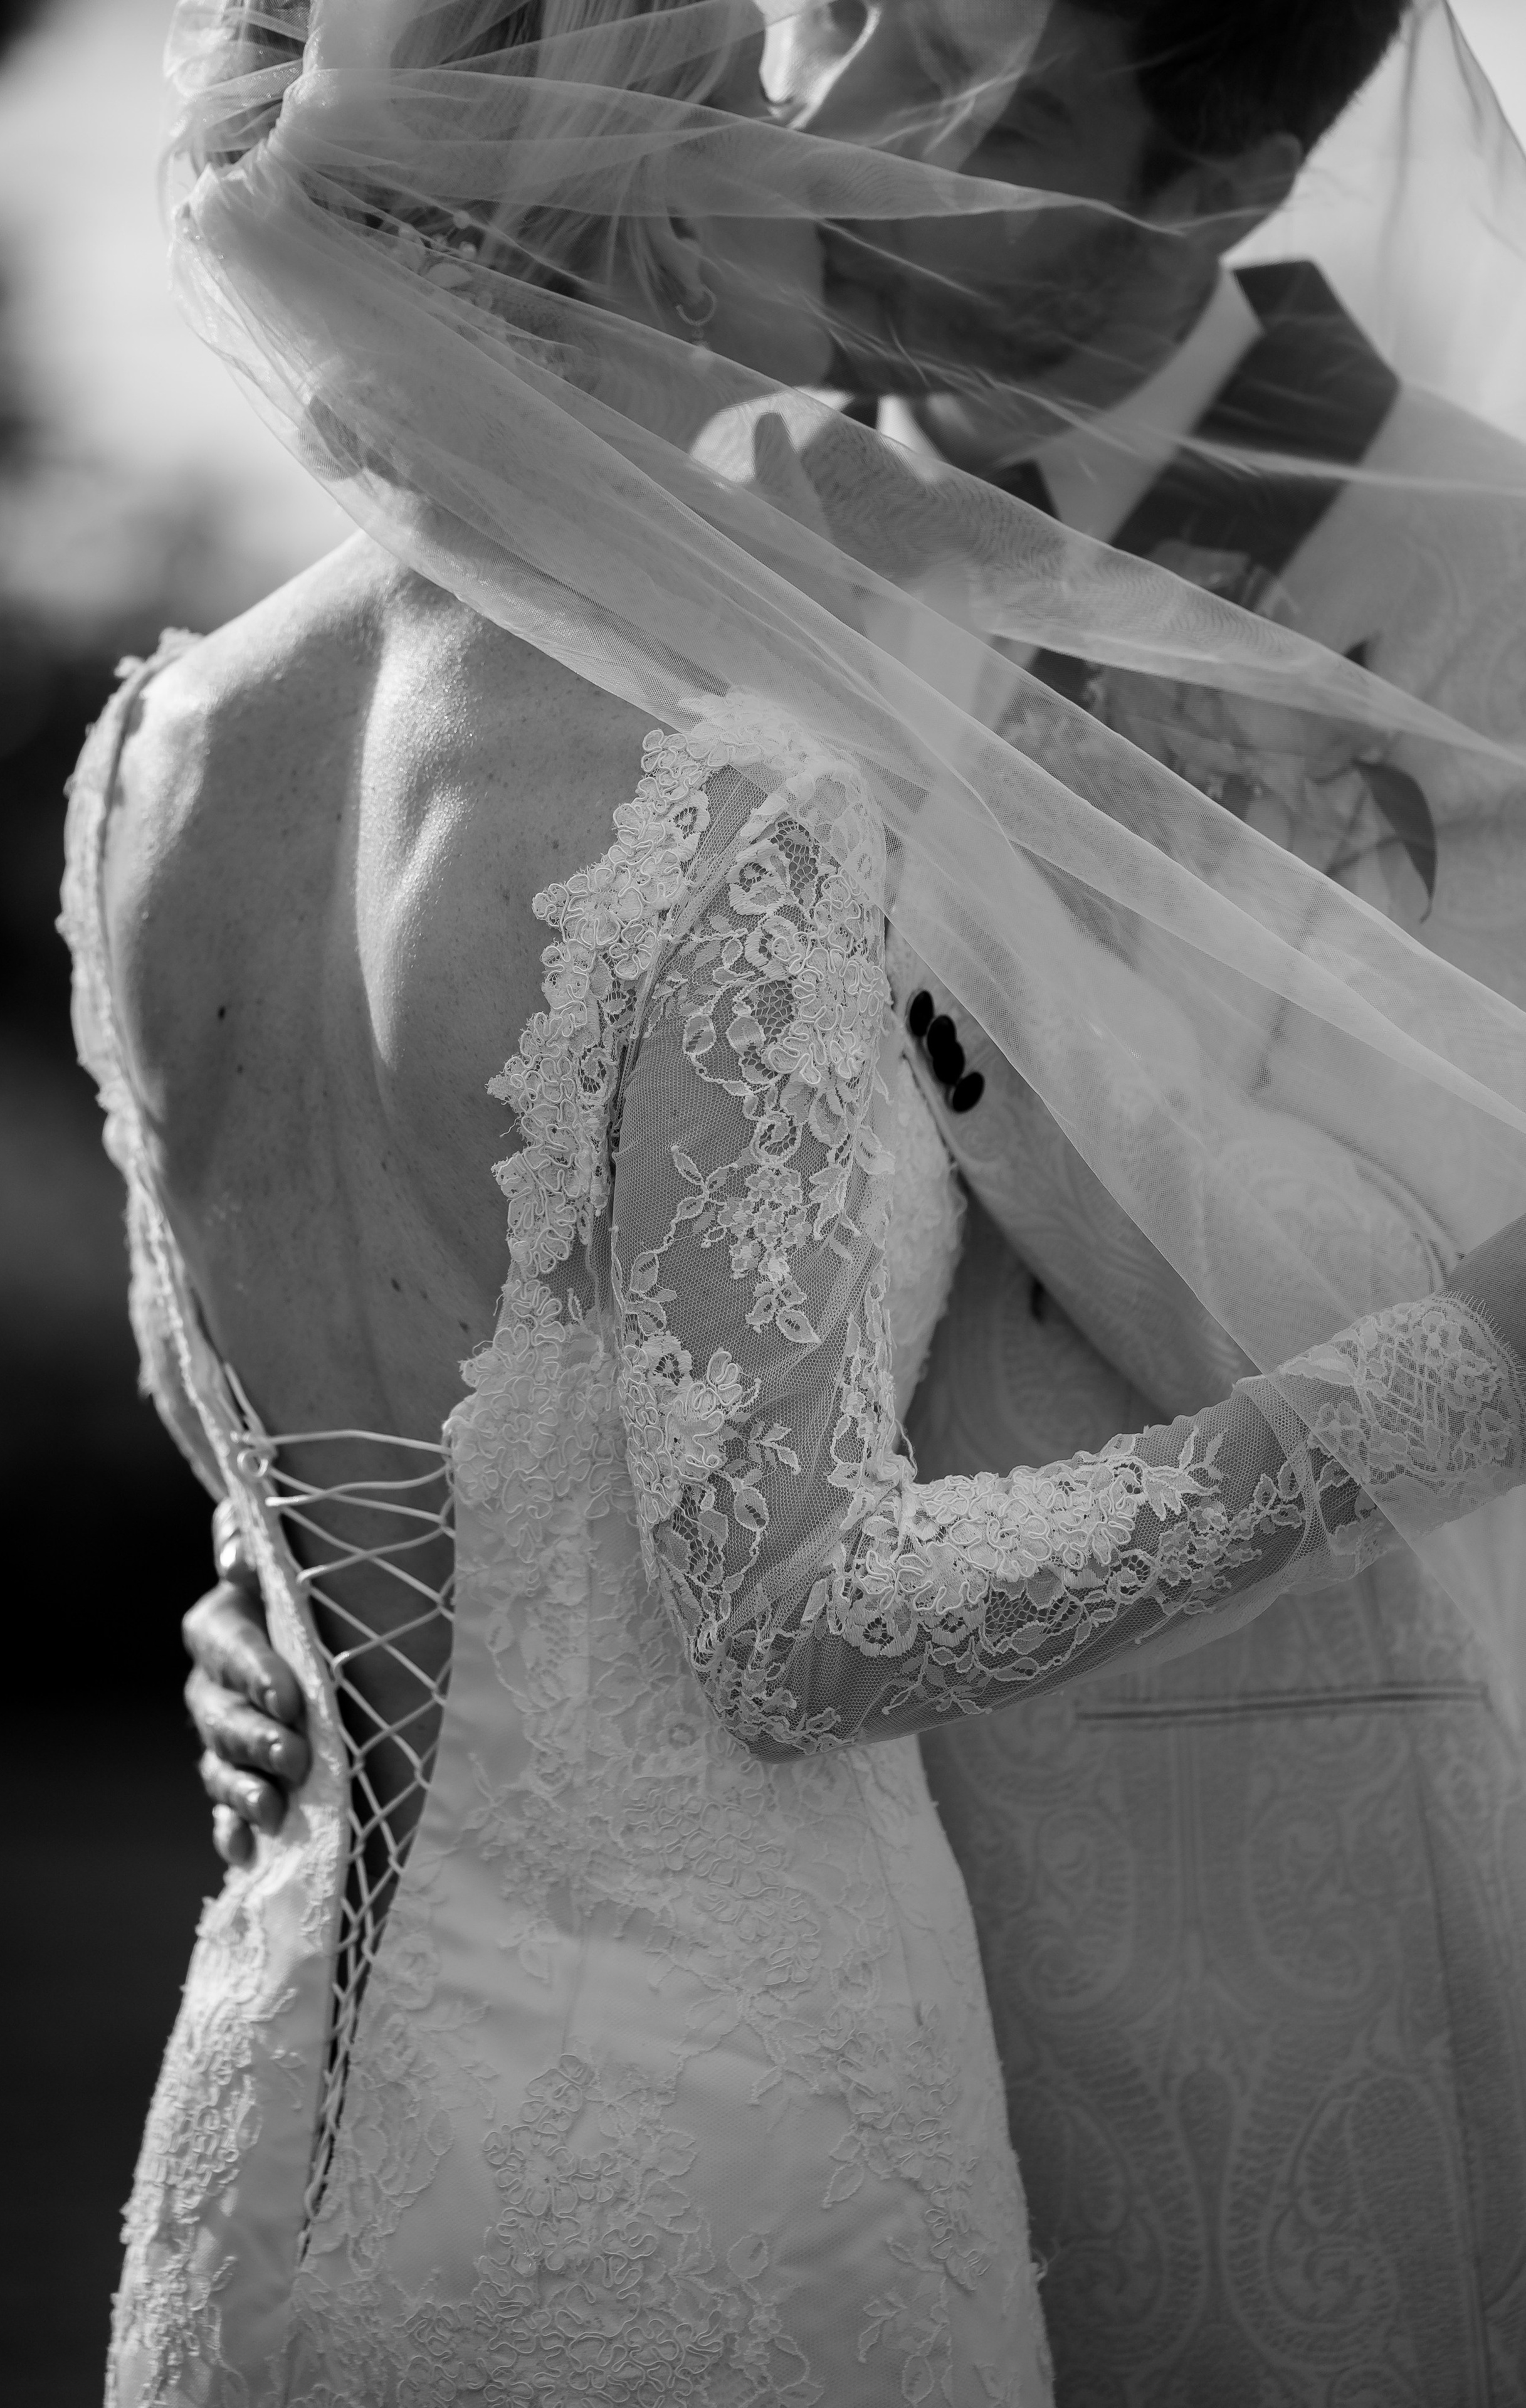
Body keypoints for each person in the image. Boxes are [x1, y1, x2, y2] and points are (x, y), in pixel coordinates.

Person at [95, 0, 1526, 2399]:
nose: (845, 124)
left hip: (1246, 1901)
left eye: (960, 70)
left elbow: (1428, 1254)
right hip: (756, 1959)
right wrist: (318, 1607)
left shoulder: (1479, 583)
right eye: (821, 28)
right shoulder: (679, 585)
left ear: (1220, 171)